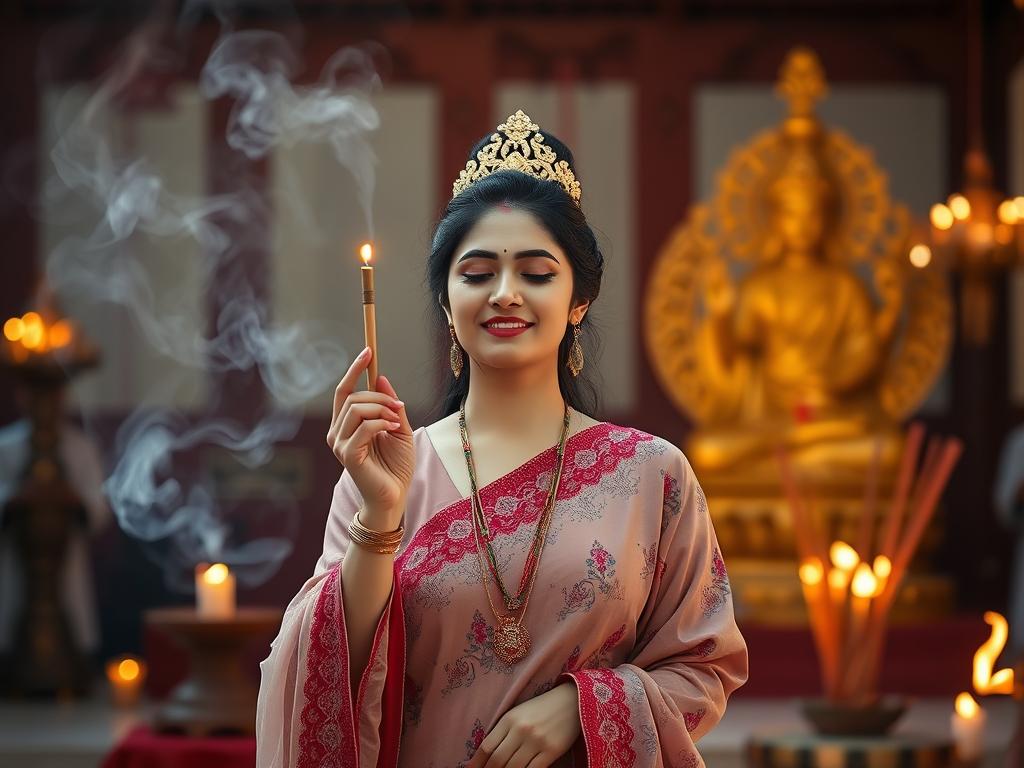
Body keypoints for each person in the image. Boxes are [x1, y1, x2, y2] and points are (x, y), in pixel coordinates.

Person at [256, 109, 748, 768]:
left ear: (579, 300)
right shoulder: (386, 472)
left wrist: (585, 706)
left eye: (537, 274)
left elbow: (704, 669)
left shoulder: (652, 475)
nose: (506, 294)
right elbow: (330, 677)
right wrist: (379, 515)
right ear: (446, 301)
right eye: (478, 272)